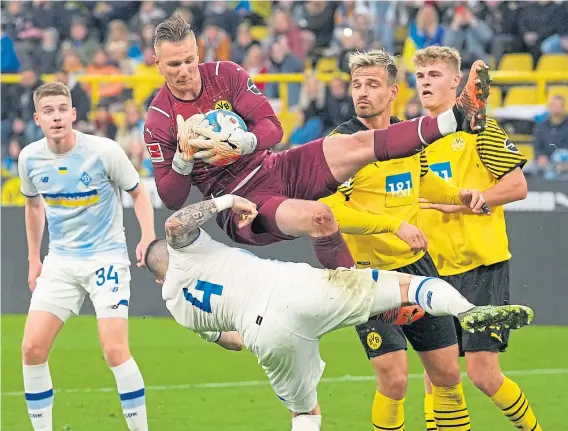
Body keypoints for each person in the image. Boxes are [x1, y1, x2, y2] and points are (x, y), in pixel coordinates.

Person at [142, 194, 534, 431]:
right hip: (295, 288)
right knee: (407, 286)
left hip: (262, 334)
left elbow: (231, 343)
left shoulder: (176, 305)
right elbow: (177, 222)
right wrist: (226, 202)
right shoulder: (185, 249)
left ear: (159, 280)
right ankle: (466, 311)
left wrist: (267, 336)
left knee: (305, 412)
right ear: (172, 252)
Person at [145, 14, 490, 272]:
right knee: (320, 217)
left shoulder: (225, 74)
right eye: (175, 64)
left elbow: (272, 128)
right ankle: (363, 299)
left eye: (190, 59)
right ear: (158, 64)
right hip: (239, 204)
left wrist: (245, 142)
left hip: (273, 167)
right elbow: (171, 197)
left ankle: (454, 119)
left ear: (197, 51)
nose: (185, 70)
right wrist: (184, 159)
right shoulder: (160, 118)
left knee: (354, 144)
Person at [320, 49, 487, 431]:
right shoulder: (342, 144)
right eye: (356, 84)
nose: (362, 92)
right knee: (394, 381)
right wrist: (392, 226)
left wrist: (457, 195)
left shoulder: (406, 137)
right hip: (369, 277)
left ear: (393, 91)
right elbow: (330, 215)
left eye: (372, 85)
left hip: (419, 270)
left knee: (447, 376)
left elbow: (424, 179)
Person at [413, 46, 540, 431]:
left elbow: (517, 185)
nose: (425, 83)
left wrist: (476, 201)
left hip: (480, 264)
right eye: (419, 77)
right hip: (432, 269)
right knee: (437, 372)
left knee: (483, 375)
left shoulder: (478, 128)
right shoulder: (414, 137)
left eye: (434, 75)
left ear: (455, 81)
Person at [18, 82, 155, 431]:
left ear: (74, 114)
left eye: (63, 108)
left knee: (113, 350)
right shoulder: (29, 158)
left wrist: (148, 237)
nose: (57, 116)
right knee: (32, 349)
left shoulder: (103, 151)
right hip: (60, 261)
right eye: (48, 111)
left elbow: (138, 194)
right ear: (38, 118)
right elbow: (33, 206)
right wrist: (35, 258)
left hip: (105, 259)